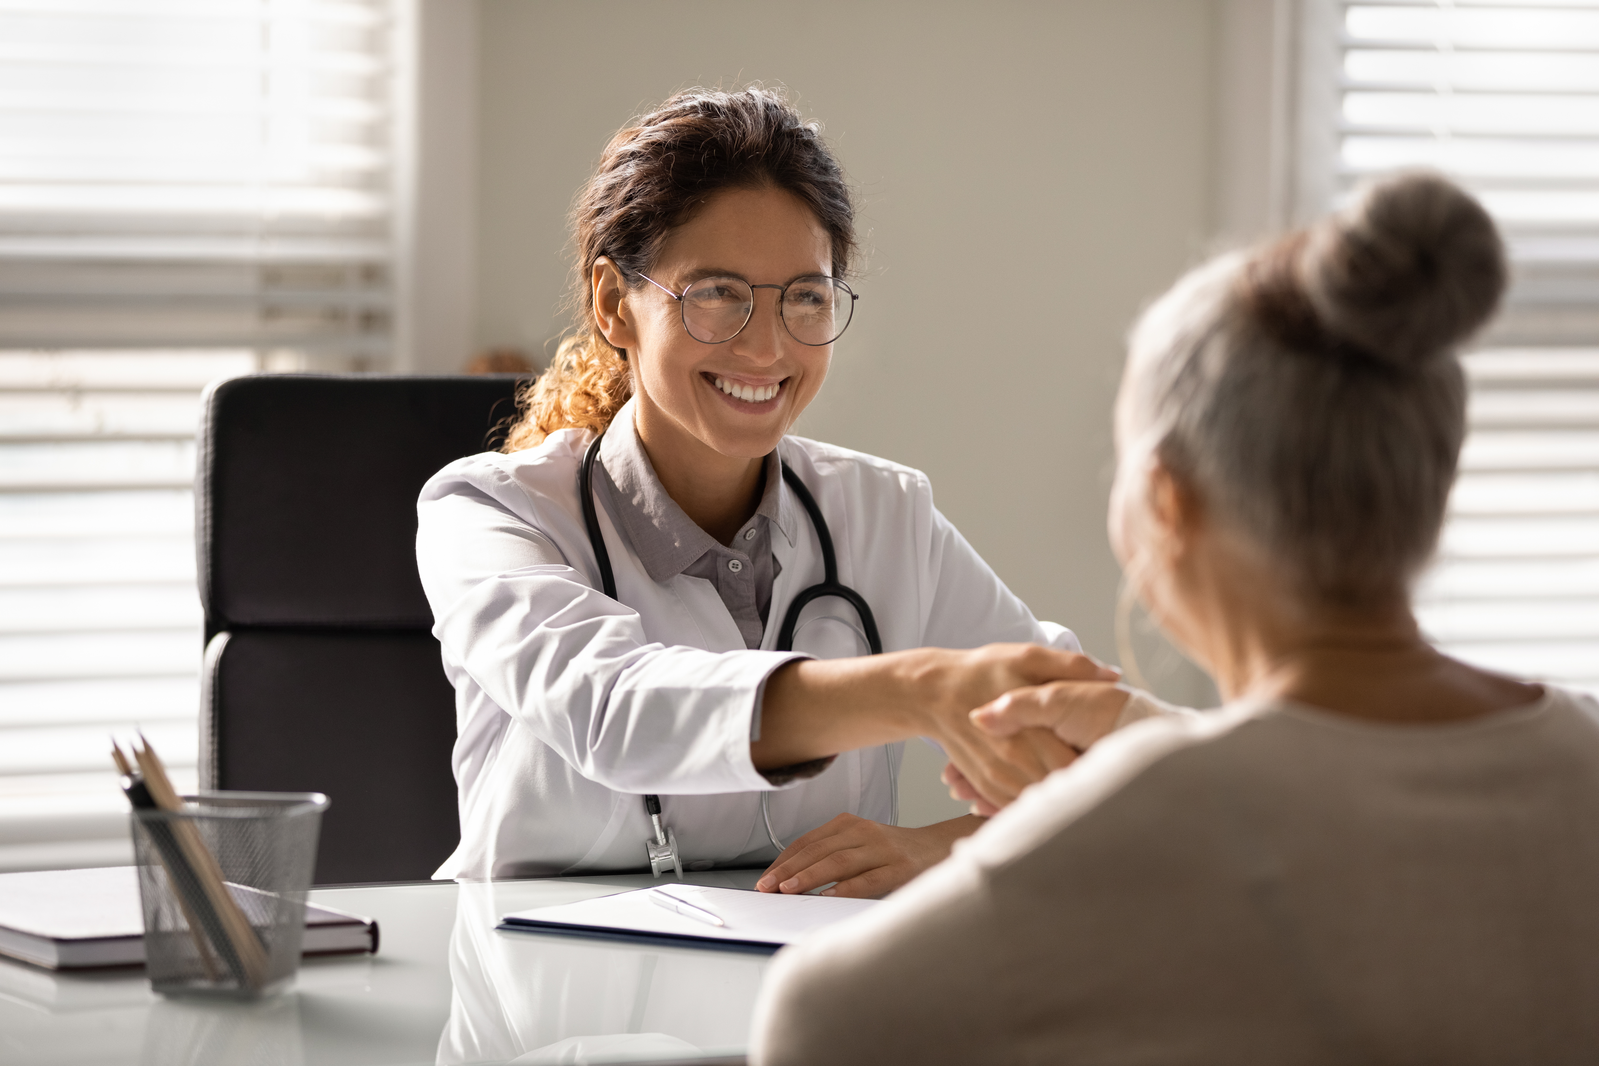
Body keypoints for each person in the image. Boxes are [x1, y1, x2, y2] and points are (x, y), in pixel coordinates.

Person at [751, 172, 1599, 1064]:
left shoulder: (1136, 825)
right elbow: (1367, 808)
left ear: (1165, 503)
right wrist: (1148, 734)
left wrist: (1135, 777)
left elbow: (814, 1021)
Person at [415, 86, 1127, 893]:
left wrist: (953, 848)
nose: (765, 346)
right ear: (615, 304)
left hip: (805, 992)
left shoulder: (883, 515)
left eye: (804, 298)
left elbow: (1108, 751)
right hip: (542, 1000)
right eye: (716, 294)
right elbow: (612, 709)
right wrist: (917, 691)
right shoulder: (491, 512)